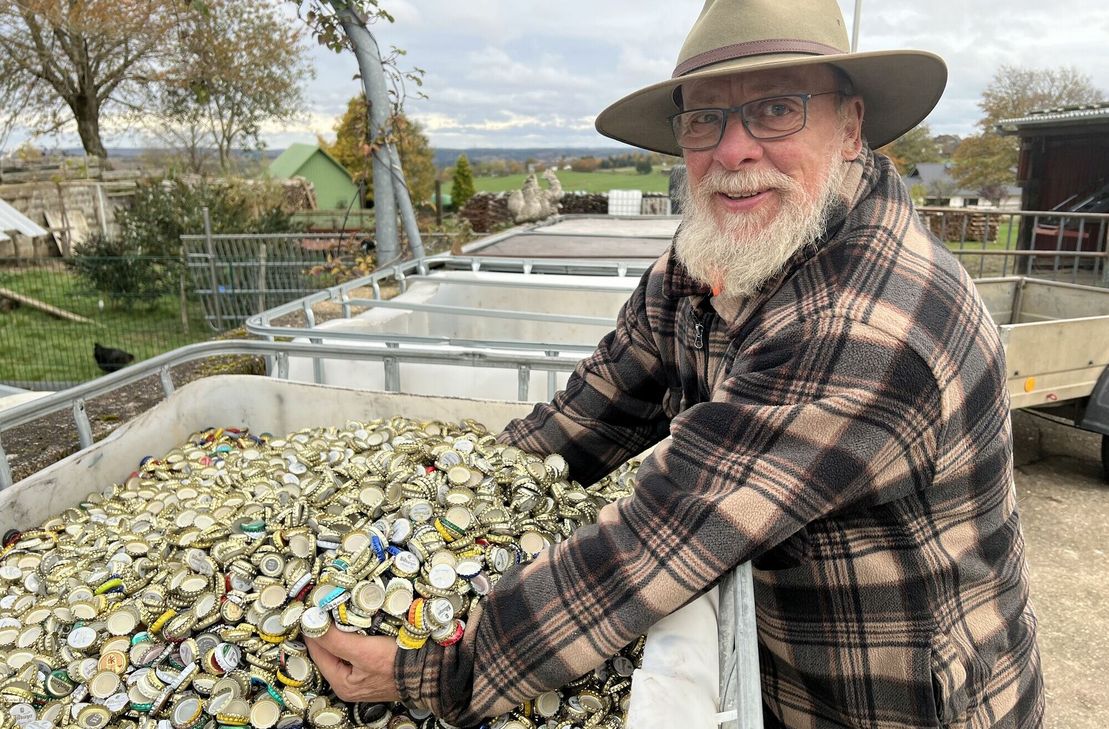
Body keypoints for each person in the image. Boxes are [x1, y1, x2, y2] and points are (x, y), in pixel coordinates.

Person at [304, 0, 1045, 726]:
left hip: (900, 699)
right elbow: (577, 423)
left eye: (776, 109)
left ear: (848, 126)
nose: (731, 151)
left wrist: (431, 670)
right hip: (775, 665)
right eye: (703, 118)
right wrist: (438, 515)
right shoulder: (712, 260)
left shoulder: (872, 326)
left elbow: (656, 541)